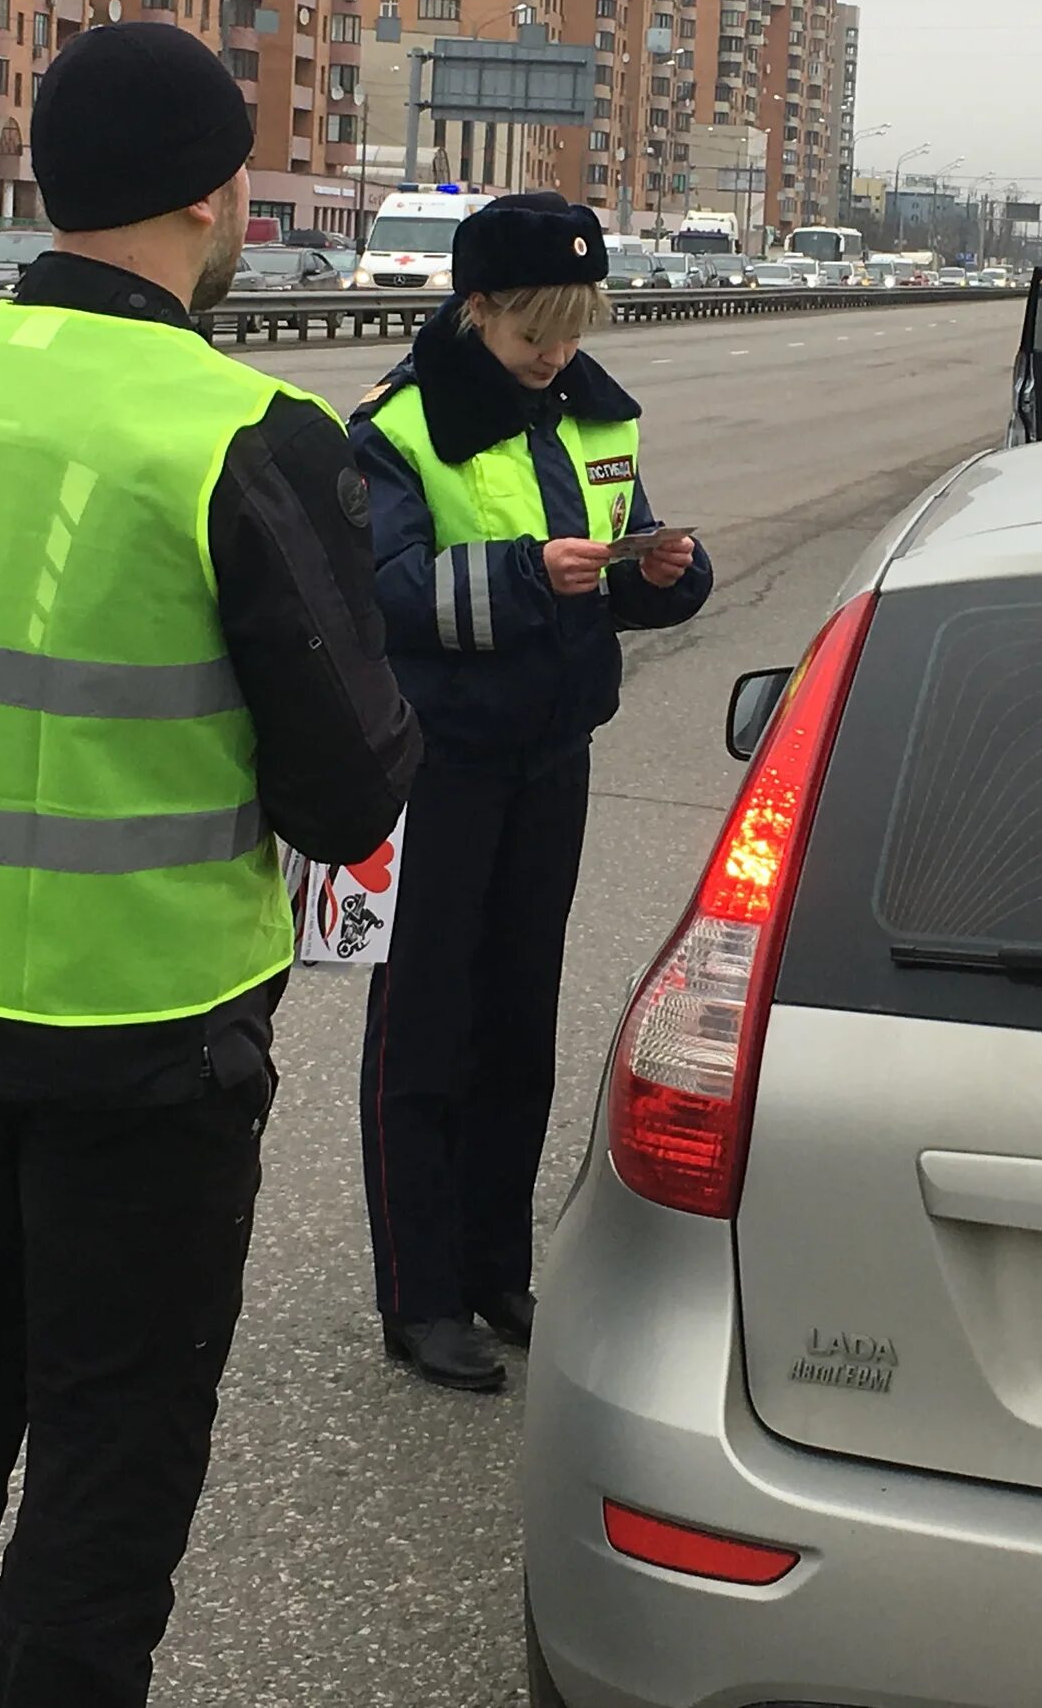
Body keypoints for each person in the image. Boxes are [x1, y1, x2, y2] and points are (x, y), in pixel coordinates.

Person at [0, 20, 421, 1707]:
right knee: (114, 1420)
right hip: (147, 1030)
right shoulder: (242, 431)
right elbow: (349, 787)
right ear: (218, 197)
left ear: (47, 182)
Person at [349, 192, 713, 1392]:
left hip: (552, 756)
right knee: (425, 1030)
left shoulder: (592, 415)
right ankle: (422, 1293)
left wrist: (666, 570)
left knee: (520, 1021)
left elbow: (618, 561)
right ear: (478, 309)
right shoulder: (402, 430)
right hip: (441, 763)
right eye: (533, 334)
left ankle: (498, 1266)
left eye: (573, 329)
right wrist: (520, 575)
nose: (556, 354)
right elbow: (388, 592)